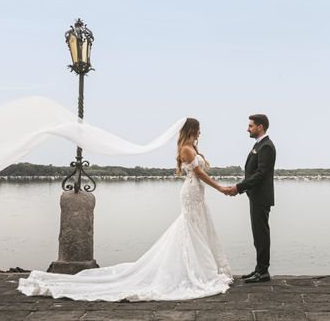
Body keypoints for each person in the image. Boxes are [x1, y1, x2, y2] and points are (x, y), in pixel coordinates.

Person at [18, 117, 234, 301]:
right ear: (192, 130)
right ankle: (195, 272)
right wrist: (221, 188)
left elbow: (201, 171)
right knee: (191, 228)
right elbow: (199, 174)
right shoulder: (186, 149)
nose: (201, 132)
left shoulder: (193, 148)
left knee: (197, 228)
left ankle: (198, 268)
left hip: (197, 193)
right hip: (192, 192)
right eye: (198, 129)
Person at [221, 114, 276, 283]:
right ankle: (259, 269)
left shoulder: (266, 146)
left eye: (251, 126)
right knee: (258, 235)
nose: (248, 129)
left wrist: (239, 187)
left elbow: (261, 174)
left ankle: (263, 272)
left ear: (260, 127)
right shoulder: (259, 144)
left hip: (261, 196)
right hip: (256, 196)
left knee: (261, 234)